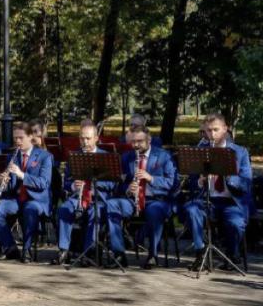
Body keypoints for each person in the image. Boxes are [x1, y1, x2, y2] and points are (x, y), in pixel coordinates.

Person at [183, 114, 252, 271]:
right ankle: (200, 253)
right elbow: (192, 183)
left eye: (216, 130)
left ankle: (232, 253)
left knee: (235, 223)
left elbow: (246, 183)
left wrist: (228, 175)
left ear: (225, 129)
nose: (212, 134)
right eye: (208, 131)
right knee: (191, 209)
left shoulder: (240, 152)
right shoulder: (201, 151)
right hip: (208, 200)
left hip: (231, 201)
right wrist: (200, 181)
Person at [106, 124, 177, 269]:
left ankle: (153, 255)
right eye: (133, 141)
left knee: (154, 211)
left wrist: (151, 178)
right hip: (132, 201)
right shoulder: (127, 157)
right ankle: (119, 253)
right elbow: (118, 183)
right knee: (111, 204)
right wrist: (128, 188)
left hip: (156, 200)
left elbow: (172, 183)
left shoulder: (164, 156)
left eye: (139, 141)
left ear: (149, 140)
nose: (136, 145)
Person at [52, 120, 116, 266]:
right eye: (82, 138)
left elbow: (112, 183)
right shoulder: (74, 156)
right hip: (78, 197)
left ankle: (89, 252)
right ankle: (64, 251)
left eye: (88, 138)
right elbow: (67, 182)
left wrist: (94, 186)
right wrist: (74, 185)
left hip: (98, 199)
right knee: (64, 209)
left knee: (96, 213)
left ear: (96, 138)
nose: (84, 142)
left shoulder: (106, 156)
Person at [0, 123, 53, 263]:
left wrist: (21, 175)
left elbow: (43, 183)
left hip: (37, 199)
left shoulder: (44, 156)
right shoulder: (13, 156)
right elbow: (10, 186)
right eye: (15, 138)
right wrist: (3, 181)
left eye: (21, 138)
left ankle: (27, 249)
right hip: (17, 199)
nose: (17, 141)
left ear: (30, 137)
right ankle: (10, 247)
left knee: (30, 208)